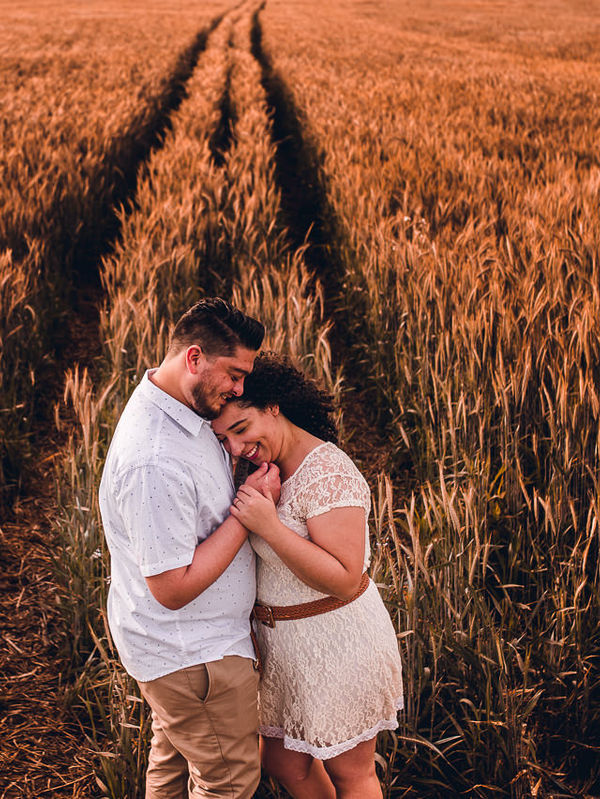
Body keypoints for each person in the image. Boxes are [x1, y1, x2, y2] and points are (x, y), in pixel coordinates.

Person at [98, 297, 279, 799]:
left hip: (182, 649)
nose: (241, 389)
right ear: (194, 358)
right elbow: (172, 588)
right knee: (228, 783)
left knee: (173, 769)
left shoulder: (181, 406)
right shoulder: (155, 459)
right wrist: (251, 512)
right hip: (193, 655)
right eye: (235, 374)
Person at [212, 352, 403, 799]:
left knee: (352, 774)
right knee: (279, 760)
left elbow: (343, 577)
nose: (238, 448)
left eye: (242, 430)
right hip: (285, 650)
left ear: (273, 407)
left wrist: (270, 527)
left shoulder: (329, 472)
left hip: (338, 643)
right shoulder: (264, 470)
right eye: (226, 439)